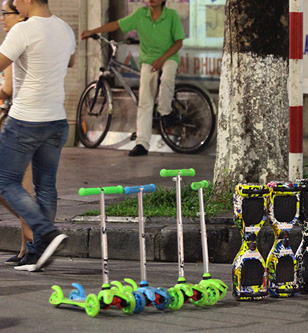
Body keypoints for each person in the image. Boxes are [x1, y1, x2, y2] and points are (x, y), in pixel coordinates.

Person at [0, 0, 76, 271]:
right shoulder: (65, 29)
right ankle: (37, 252)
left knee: (4, 181)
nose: (12, 4)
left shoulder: (23, 30)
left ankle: (46, 232)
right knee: (45, 187)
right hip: (56, 119)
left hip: (26, 120)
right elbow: (71, 60)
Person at [80, 0, 185, 156]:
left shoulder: (171, 15)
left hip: (168, 57)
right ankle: (142, 144)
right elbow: (117, 24)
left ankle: (165, 112)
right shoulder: (141, 14)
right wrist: (92, 31)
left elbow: (178, 42)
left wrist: (162, 59)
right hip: (148, 60)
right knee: (144, 101)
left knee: (167, 78)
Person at [0, 0, 33, 266]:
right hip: (23, 121)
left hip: (17, 123)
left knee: (17, 188)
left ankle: (34, 240)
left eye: (6, 13)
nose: (3, 18)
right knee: (22, 187)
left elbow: (8, 89)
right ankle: (26, 247)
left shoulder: (16, 40)